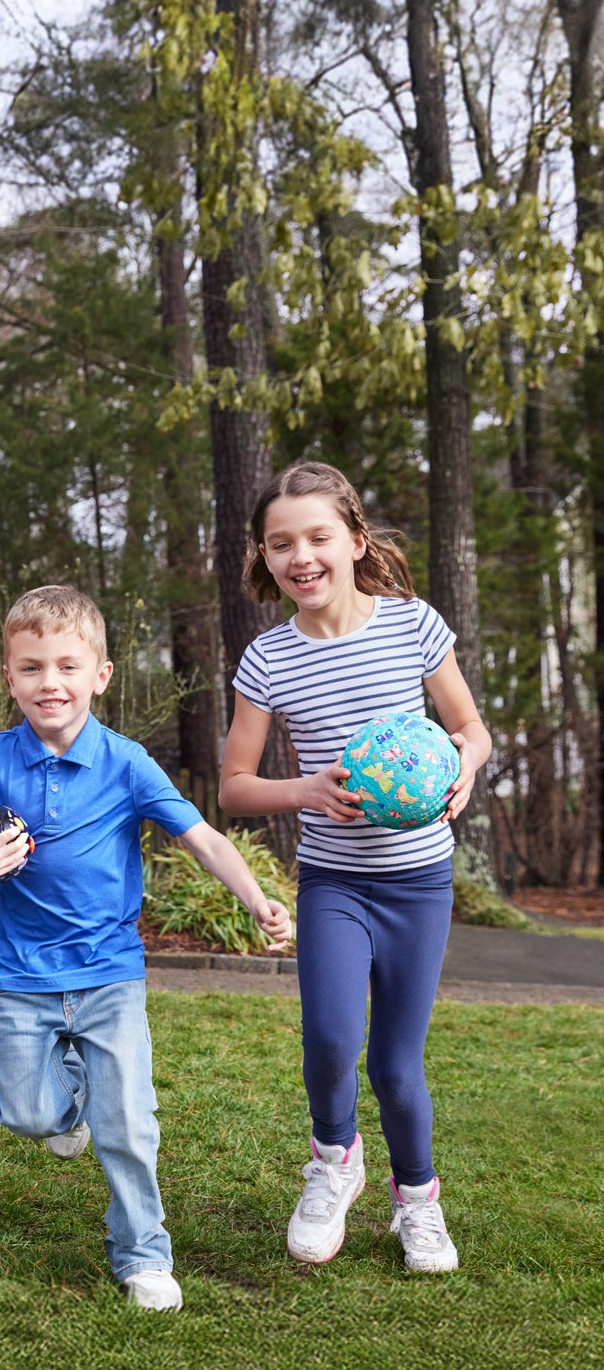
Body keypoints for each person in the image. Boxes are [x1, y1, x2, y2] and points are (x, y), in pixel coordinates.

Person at [0, 585, 292, 1311]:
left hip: (108, 972)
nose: (48, 683)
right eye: (31, 668)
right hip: (20, 976)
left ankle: (144, 1255)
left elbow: (204, 838)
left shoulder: (127, 763)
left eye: (66, 666)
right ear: (9, 678)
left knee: (129, 1125)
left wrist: (256, 899)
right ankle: (72, 1102)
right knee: (28, 1117)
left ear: (100, 675)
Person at [219, 461, 490, 1275]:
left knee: (395, 1064)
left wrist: (464, 769)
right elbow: (234, 786)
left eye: (317, 537)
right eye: (280, 544)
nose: (300, 556)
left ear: (355, 541)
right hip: (334, 881)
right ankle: (334, 1164)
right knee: (333, 1041)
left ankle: (419, 1202)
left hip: (418, 881)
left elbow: (469, 726)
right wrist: (302, 787)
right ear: (264, 558)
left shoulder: (412, 626)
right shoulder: (267, 660)